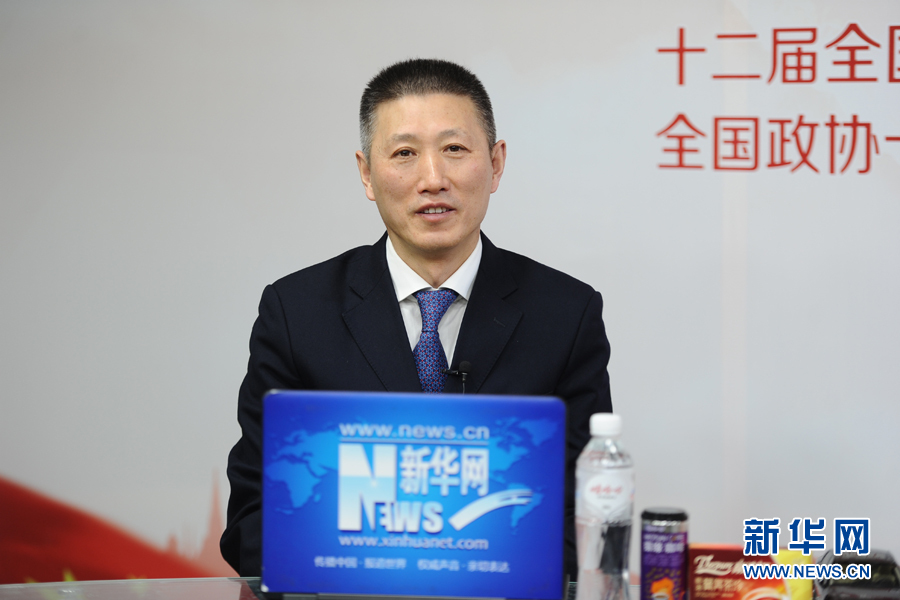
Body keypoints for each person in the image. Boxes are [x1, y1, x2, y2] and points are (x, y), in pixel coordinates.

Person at [221, 58, 612, 579]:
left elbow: (588, 519)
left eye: (455, 149)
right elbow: (253, 520)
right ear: (366, 173)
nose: (433, 179)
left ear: (496, 163)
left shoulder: (565, 314)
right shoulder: (296, 313)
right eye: (404, 153)